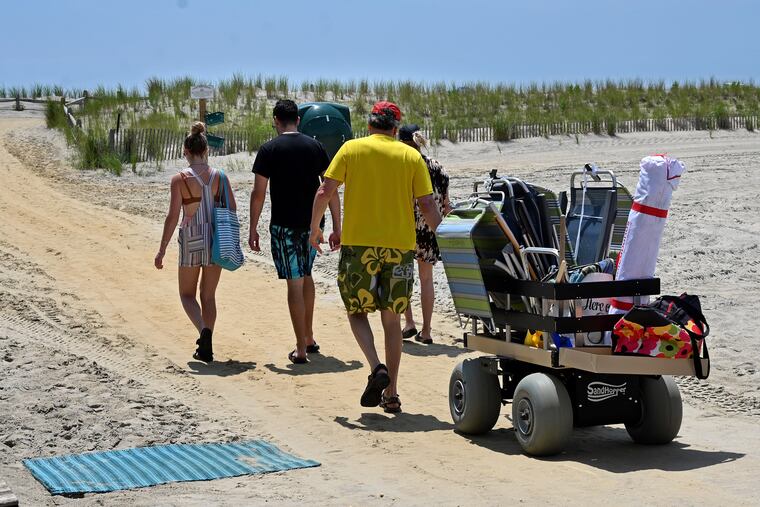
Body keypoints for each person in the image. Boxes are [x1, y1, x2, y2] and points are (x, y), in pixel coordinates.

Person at [309, 101, 442, 413]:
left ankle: (375, 366)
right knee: (392, 320)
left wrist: (315, 229)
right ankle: (392, 393)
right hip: (400, 248)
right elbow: (427, 205)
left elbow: (323, 192)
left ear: (369, 125)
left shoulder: (351, 149)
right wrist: (447, 240)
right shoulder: (411, 156)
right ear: (395, 129)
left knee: (357, 312)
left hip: (359, 247)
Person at [249, 99, 341, 364]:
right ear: (298, 120)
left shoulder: (268, 149)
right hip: (314, 223)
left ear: (276, 120)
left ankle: (301, 348)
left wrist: (253, 228)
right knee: (307, 275)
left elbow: (258, 194)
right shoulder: (316, 146)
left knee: (295, 281)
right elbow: (329, 189)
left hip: (284, 225)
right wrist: (336, 225)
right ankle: (309, 337)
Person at [155, 121, 236, 363]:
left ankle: (204, 333)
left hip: (191, 236)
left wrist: (162, 249)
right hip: (215, 238)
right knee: (208, 296)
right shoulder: (220, 177)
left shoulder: (179, 179)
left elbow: (172, 216)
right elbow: (231, 208)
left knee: (186, 294)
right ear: (206, 151)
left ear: (186, 152)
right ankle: (206, 340)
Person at [399, 125, 451, 345]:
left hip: (406, 226)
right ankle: (427, 330)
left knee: (402, 276)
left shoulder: (403, 164)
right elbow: (446, 204)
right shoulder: (437, 167)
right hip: (431, 228)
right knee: (426, 279)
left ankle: (409, 322)